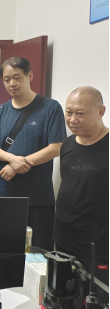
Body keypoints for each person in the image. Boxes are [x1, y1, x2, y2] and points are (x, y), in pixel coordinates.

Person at [0, 57, 66, 251]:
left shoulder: (50, 107)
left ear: (29, 75)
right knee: (4, 248)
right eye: (7, 79)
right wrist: (11, 159)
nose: (11, 83)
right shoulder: (0, 111)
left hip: (38, 195)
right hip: (5, 193)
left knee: (39, 251)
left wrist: (17, 166)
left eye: (17, 77)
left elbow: (56, 146)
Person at [54, 86, 109, 284]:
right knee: (63, 295)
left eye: (80, 113)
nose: (72, 119)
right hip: (63, 240)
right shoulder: (67, 144)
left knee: (95, 300)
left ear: (101, 112)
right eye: (69, 112)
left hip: (98, 246)